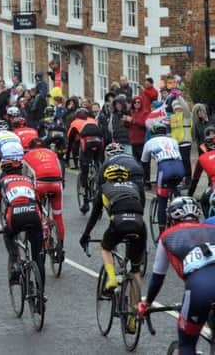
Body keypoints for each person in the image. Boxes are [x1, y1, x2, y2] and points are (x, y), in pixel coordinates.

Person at [138, 197, 215, 355]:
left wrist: (147, 303)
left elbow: (158, 277)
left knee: (186, 344)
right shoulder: (211, 228)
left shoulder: (168, 236)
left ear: (171, 219)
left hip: (201, 287)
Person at [79, 165, 146, 295]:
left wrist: (85, 235)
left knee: (105, 247)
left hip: (119, 222)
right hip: (139, 223)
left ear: (107, 178)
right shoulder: (135, 186)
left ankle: (111, 278)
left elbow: (94, 216)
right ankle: (134, 312)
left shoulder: (104, 188)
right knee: (135, 270)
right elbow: (141, 206)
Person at [0, 156, 45, 284]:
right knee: (38, 258)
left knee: (8, 235)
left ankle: (15, 263)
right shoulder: (29, 180)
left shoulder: (2, 181)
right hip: (34, 215)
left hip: (16, 216)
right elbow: (38, 203)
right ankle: (41, 297)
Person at [23, 141, 65, 259]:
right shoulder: (52, 153)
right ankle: (60, 248)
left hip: (40, 184)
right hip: (57, 183)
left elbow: (24, 178)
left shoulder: (26, 156)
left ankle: (42, 241)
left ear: (30, 148)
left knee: (38, 214)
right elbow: (61, 171)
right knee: (58, 216)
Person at [142, 122, 185, 234]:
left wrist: (146, 181)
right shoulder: (173, 140)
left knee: (162, 200)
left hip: (164, 169)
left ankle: (162, 234)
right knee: (177, 193)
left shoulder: (149, 142)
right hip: (179, 167)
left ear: (152, 133)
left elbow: (145, 163)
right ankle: (182, 217)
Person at [0, 133, 23, 244]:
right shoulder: (14, 135)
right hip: (19, 152)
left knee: (1, 180)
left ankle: (2, 193)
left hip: (5, 156)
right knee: (18, 175)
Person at [67, 108, 104, 213]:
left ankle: (85, 200)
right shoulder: (93, 120)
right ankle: (99, 176)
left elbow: (70, 141)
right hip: (98, 143)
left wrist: (67, 157)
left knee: (84, 171)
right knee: (97, 163)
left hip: (86, 146)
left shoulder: (75, 123)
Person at [188, 127, 215, 215]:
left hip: (213, 188)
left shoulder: (202, 158)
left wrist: (189, 195)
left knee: (204, 202)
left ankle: (209, 226)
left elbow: (195, 179)